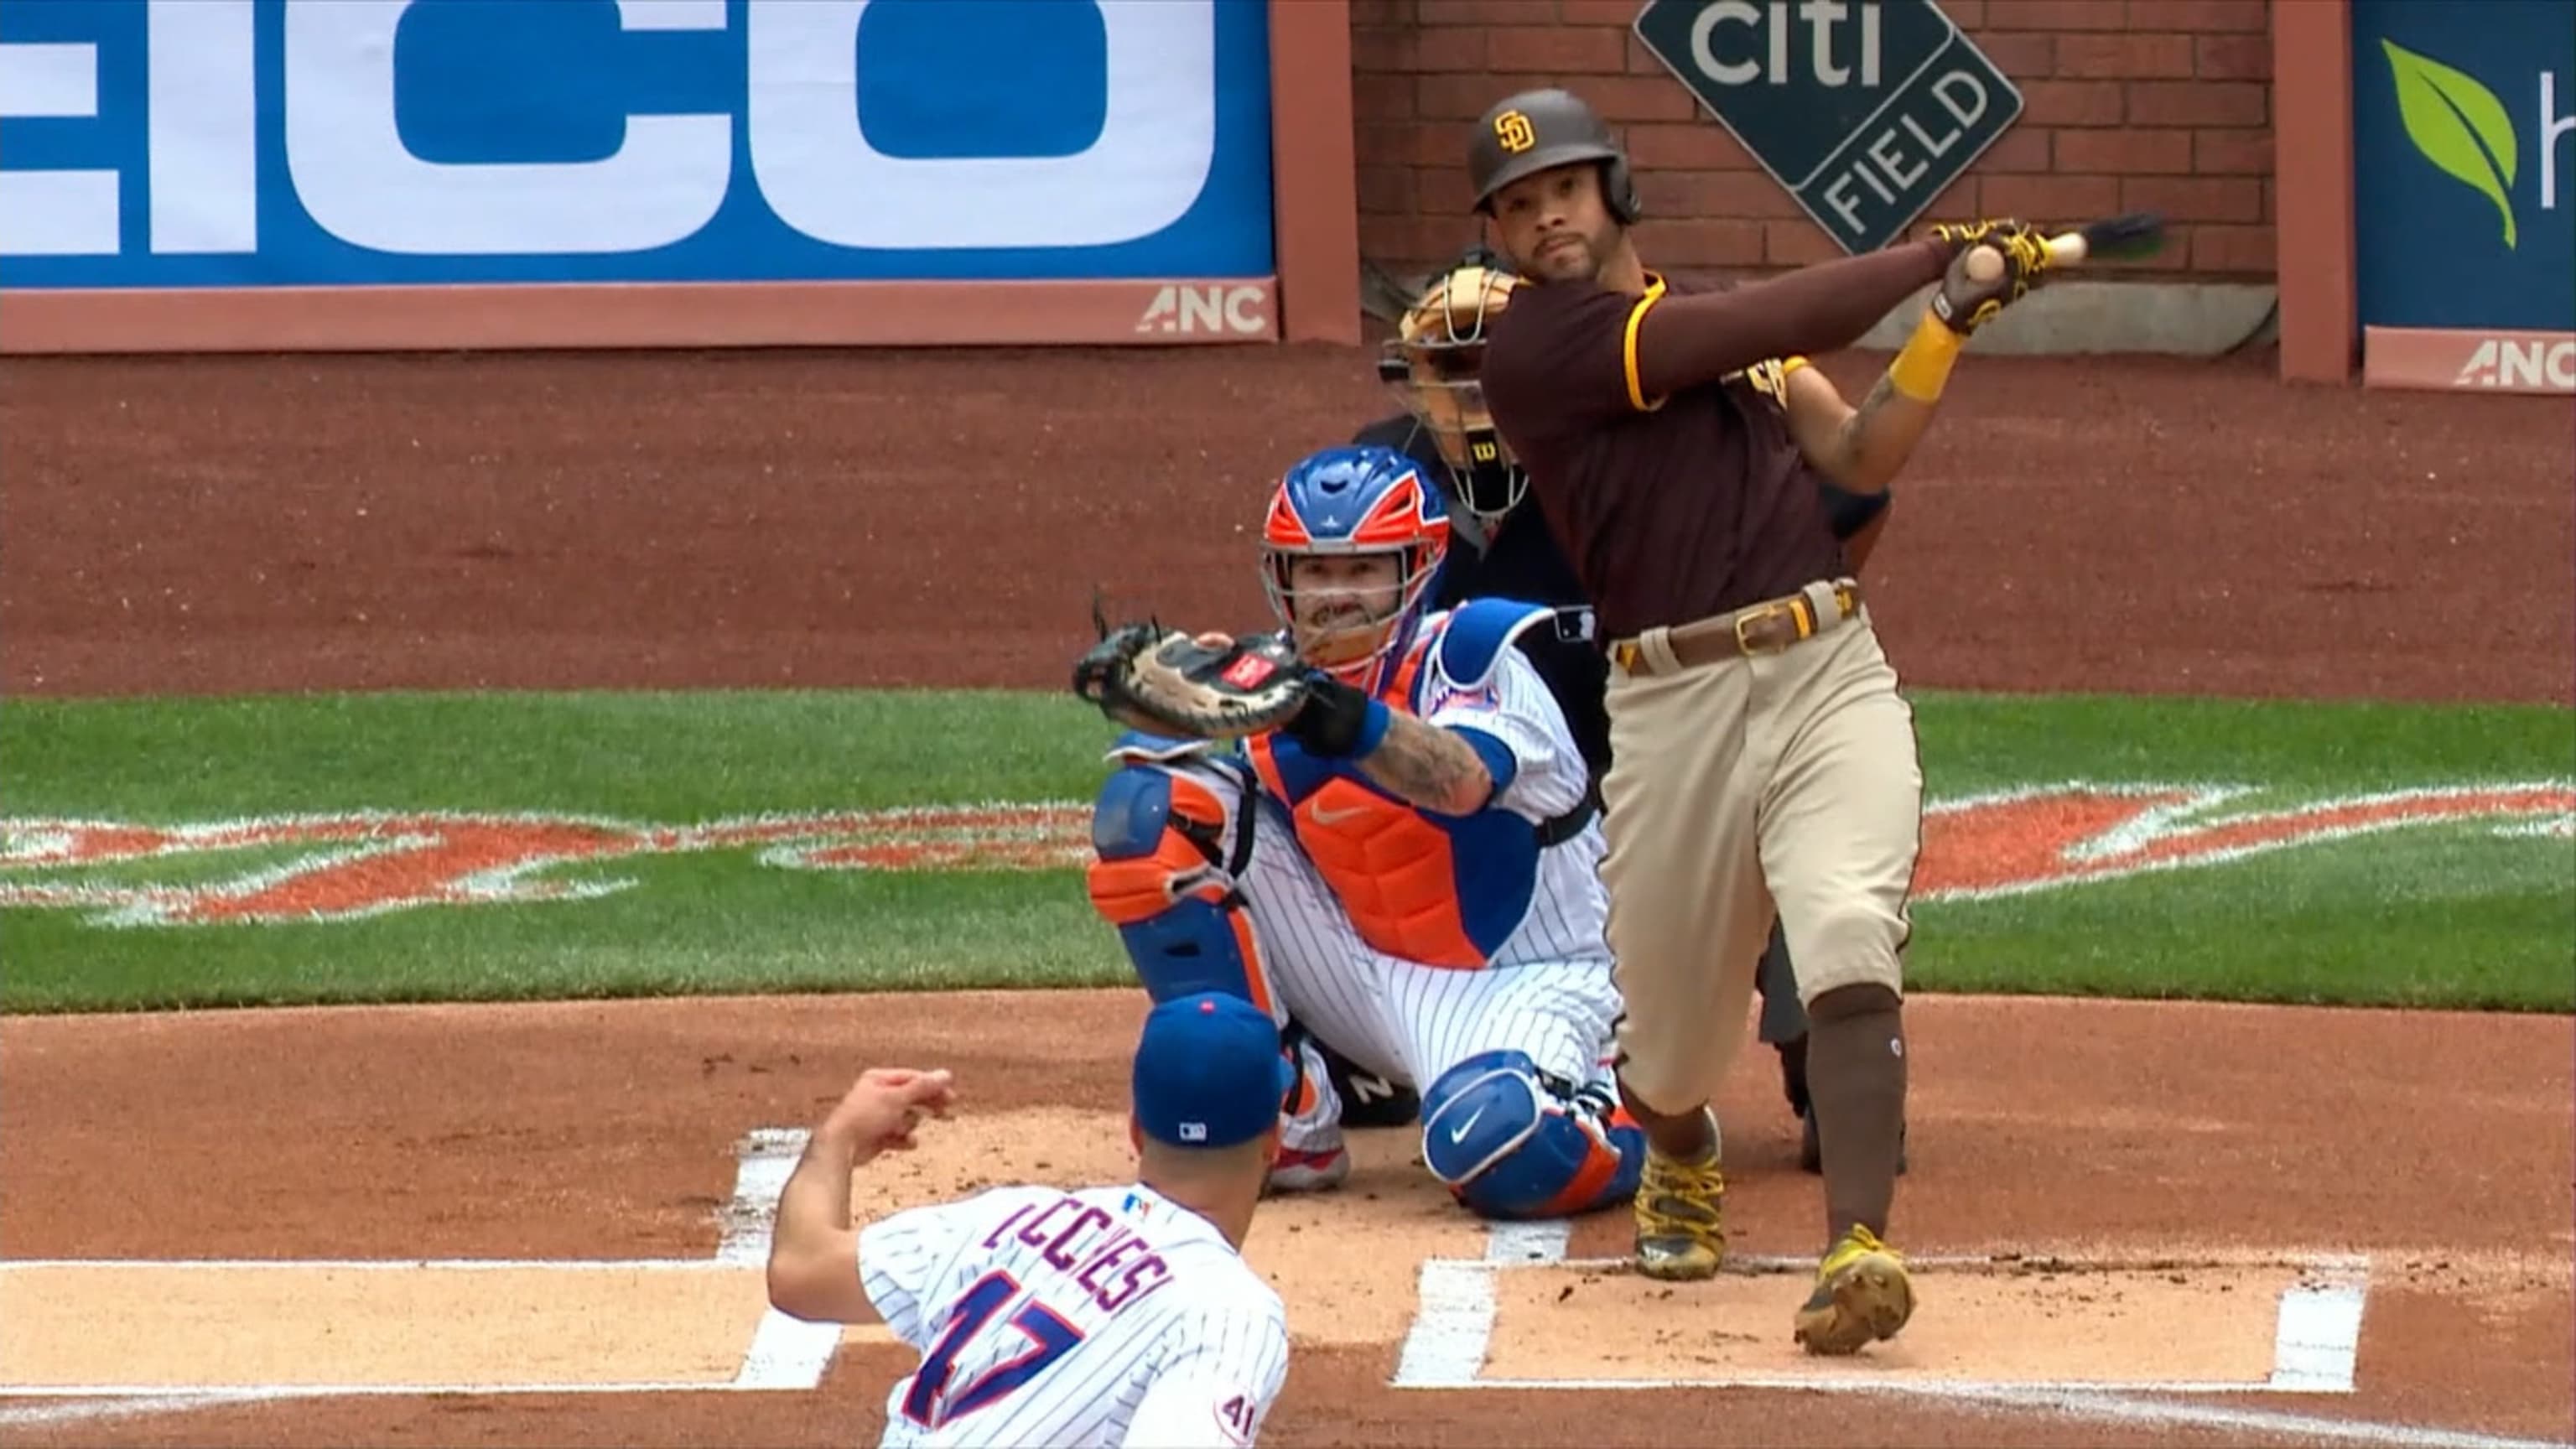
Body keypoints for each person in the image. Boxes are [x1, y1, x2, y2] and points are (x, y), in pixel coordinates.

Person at [1463, 86, 2052, 1355]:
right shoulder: (1544, 349)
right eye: (1515, 209)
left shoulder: (1717, 335)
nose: (1542, 221)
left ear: (1612, 190)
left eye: (1560, 190)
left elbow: (1860, 454)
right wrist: (1932, 258)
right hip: (1672, 705)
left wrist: (1945, 323)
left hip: (1827, 667)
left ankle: (1859, 1243)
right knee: (1668, 1050)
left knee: (1845, 921)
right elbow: (1759, 321)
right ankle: (1683, 1148)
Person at [1363, 250, 1911, 1178]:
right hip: (1481, 801)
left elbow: (1856, 494)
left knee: (1794, 801)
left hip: (1646, 759)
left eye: (1490, 360)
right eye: (1451, 368)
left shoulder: (1626, 447)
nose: (1475, 391)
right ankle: (1357, 1050)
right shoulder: (1380, 477)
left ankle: (1826, 1065)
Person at [1082, 444, 1647, 1223]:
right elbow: (1183, 749)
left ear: (1419, 565)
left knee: (1500, 1151)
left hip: (1533, 978)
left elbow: (1456, 780)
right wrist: (1139, 694)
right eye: (1315, 572)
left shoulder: (1472, 654)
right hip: (1367, 971)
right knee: (1147, 815)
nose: (1335, 596)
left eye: (1362, 571)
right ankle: (1285, 1109)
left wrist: (1320, 712)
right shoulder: (1275, 678)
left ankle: (1636, 1111)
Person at [764, 992, 1295, 1448]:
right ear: (1274, 1141)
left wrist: (838, 1138)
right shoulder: (1232, 1313)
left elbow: (800, 1270)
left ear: (1136, 1131)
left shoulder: (1014, 1218)